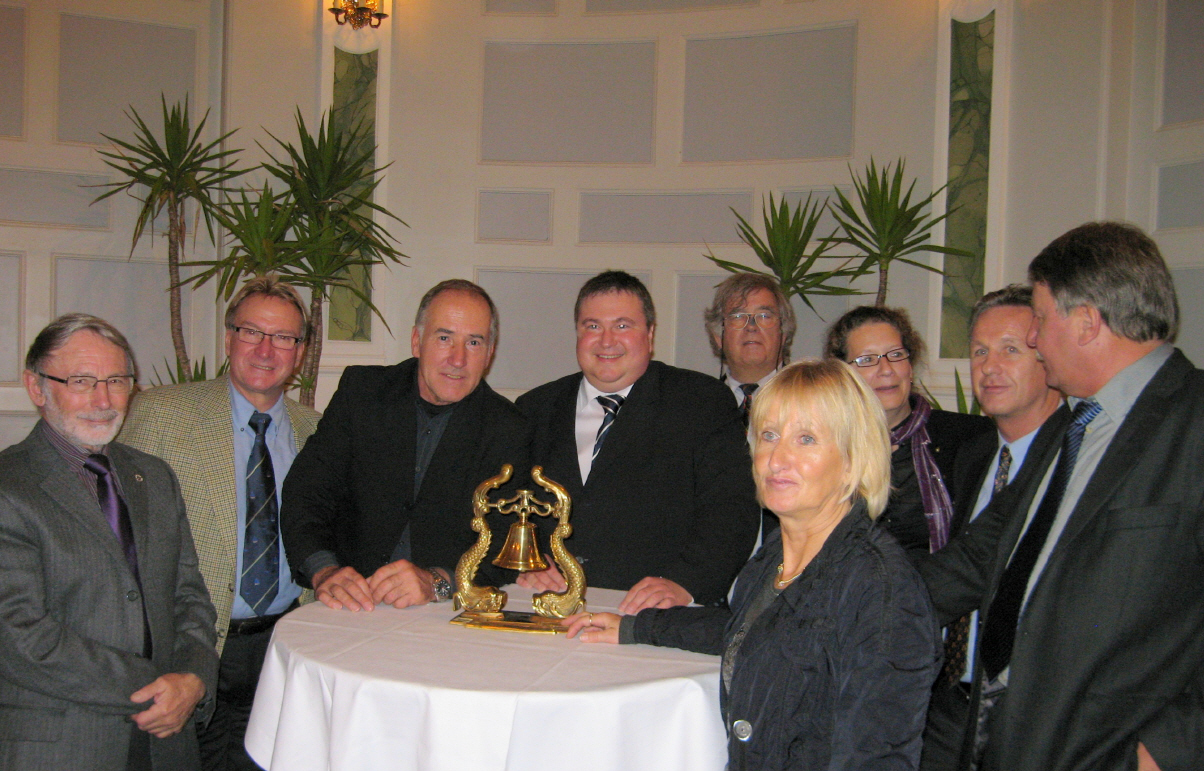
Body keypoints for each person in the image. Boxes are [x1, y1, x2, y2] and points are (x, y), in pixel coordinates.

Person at [918, 221, 1203, 771]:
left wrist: (1171, 749)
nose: (1033, 338)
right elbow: (980, 558)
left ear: (1088, 322)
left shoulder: (1191, 419)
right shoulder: (1070, 428)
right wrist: (837, 590)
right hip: (1011, 735)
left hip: (1109, 750)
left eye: (1041, 319)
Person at [566, 359, 942, 770]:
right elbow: (751, 633)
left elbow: (876, 758)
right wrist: (637, 627)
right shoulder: (774, 558)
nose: (777, 458)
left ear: (854, 459)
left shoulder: (879, 587)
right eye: (769, 435)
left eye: (806, 439)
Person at [120, 276, 321, 771]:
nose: (266, 350)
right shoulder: (161, 415)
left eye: (284, 337)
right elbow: (118, 534)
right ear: (228, 337)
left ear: (299, 353)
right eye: (252, 331)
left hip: (283, 645)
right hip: (189, 650)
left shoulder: (316, 431)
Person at [0, 314, 218, 770]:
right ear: (37, 387)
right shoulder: (10, 487)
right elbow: (18, 637)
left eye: (116, 381)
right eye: (81, 381)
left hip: (166, 744)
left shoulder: (154, 476)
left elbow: (190, 596)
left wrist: (195, 677)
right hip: (62, 746)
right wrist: (160, 683)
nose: (103, 400)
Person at [515, 271, 759, 612]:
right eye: (592, 326)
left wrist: (685, 584)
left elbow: (732, 511)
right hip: (546, 606)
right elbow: (510, 507)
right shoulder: (534, 409)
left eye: (623, 325)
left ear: (650, 334)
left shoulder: (701, 403)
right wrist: (531, 560)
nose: (607, 341)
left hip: (654, 614)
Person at [281, 279, 530, 612]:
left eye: (474, 342)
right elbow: (307, 492)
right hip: (349, 604)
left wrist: (439, 581)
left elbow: (507, 543)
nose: (458, 359)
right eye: (444, 338)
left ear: (489, 354)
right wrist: (324, 570)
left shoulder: (508, 428)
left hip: (447, 614)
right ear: (417, 341)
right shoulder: (362, 394)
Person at [919, 285, 1063, 771]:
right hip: (946, 705)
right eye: (980, 351)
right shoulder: (974, 454)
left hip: (1029, 716)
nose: (989, 366)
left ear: (1049, 356)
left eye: (1010, 350)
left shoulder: (1074, 459)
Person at [824, 306, 992, 556]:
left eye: (896, 355)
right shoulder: (825, 449)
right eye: (867, 360)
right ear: (843, 376)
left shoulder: (969, 438)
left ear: (910, 367)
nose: (886, 369)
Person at [703, 273, 796, 422]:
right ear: (718, 337)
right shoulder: (699, 407)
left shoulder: (809, 400)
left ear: (783, 333)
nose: (751, 327)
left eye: (764, 316)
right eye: (738, 317)